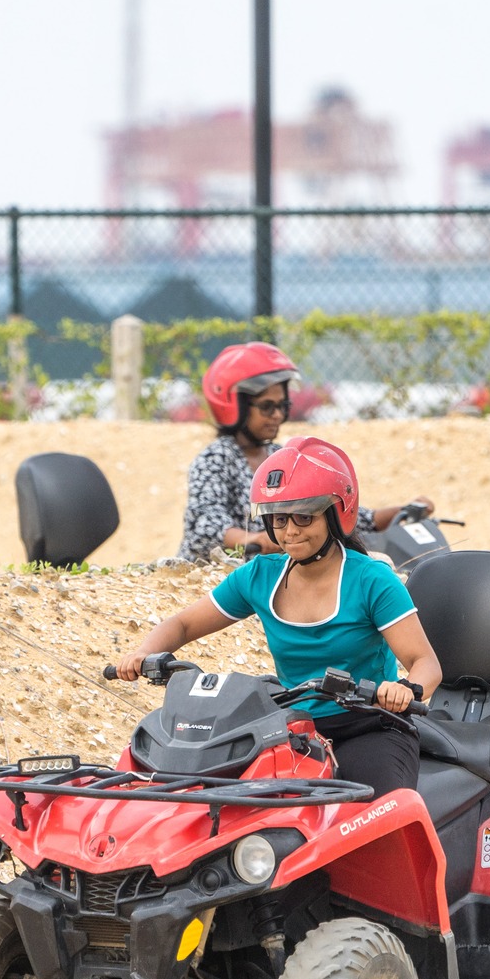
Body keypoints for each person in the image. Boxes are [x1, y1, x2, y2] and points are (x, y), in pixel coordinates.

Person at [122, 436, 443, 799]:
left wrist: (405, 689)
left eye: (304, 516)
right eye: (277, 518)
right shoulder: (259, 575)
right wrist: (144, 652)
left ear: (337, 513)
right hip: (289, 731)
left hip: (370, 727)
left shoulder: (371, 579)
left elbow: (426, 663)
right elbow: (181, 624)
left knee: (378, 818)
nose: (289, 531)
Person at [177, 342, 438, 562]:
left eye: (282, 405)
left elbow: (331, 511)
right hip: (218, 577)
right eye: (267, 407)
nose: (277, 415)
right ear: (234, 406)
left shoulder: (281, 457)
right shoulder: (215, 460)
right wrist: (256, 539)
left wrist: (402, 511)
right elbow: (206, 527)